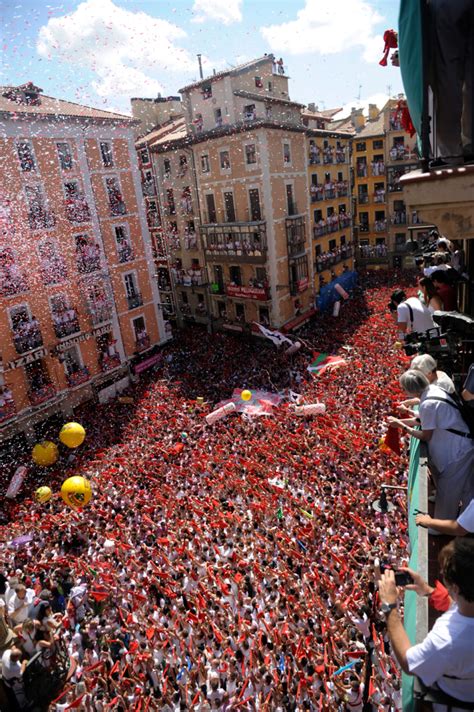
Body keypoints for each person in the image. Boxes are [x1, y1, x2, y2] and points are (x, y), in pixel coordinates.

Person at [378, 539, 474, 707]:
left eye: (444, 576)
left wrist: (390, 607)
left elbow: (409, 662)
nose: (442, 578)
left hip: (454, 699)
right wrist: (429, 591)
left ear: (456, 588)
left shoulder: (446, 640)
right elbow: (461, 606)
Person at [388, 370, 474, 520]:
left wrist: (402, 426)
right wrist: (402, 418)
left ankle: (443, 524)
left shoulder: (427, 403)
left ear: (411, 389)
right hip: (462, 445)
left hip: (458, 450)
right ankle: (468, 521)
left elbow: (425, 435)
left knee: (448, 489)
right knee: (466, 488)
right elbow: (423, 421)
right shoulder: (432, 391)